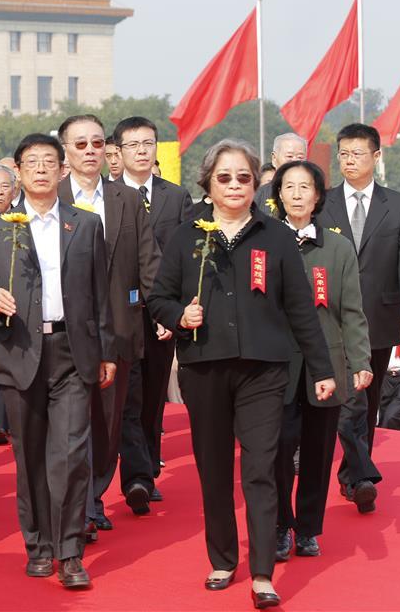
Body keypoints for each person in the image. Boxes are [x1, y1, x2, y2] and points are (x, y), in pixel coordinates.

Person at [147, 139, 335, 609]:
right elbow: (159, 296)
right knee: (212, 467)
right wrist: (178, 317)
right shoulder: (187, 235)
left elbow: (300, 310)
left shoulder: (274, 236)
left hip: (264, 371)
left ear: (257, 183)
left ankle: (263, 571)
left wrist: (322, 369)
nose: (234, 185)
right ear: (208, 184)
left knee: (261, 468)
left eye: (244, 177)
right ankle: (223, 558)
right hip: (204, 367)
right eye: (224, 177)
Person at [0, 133, 116, 589]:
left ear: (63, 169)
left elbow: (101, 293)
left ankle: (71, 551)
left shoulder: (85, 224)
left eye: (48, 162)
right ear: (17, 171)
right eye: (31, 162)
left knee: (72, 454)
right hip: (19, 352)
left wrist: (107, 349)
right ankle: (38, 545)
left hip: (73, 352)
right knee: (30, 454)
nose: (40, 169)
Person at [57, 114, 160, 540]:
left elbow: (149, 263)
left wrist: (165, 312)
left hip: (116, 329)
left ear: (108, 150)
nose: (89, 152)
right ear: (66, 150)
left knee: (107, 422)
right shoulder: (51, 196)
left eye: (97, 144)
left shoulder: (128, 200)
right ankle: (75, 506)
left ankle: (94, 496)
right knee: (68, 424)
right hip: (61, 333)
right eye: (80, 145)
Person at [267, 160, 372, 562]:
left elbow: (351, 312)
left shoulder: (338, 247)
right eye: (288, 186)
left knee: (318, 451)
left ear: (317, 196)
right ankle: (280, 525)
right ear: (278, 194)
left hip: (325, 365)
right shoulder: (266, 242)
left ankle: (308, 528)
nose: (296, 193)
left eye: (304, 187)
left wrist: (360, 360)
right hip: (276, 365)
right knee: (277, 449)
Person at [318, 123, 400, 514]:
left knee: (369, 397)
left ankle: (352, 472)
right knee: (352, 400)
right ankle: (361, 477)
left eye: (358, 153)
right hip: (331, 318)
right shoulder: (322, 203)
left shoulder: (399, 205)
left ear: (376, 157)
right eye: (344, 154)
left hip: (380, 317)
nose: (349, 160)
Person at [115, 116, 192, 512]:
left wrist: (173, 310)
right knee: (127, 394)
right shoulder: (108, 196)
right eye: (134, 145)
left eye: (149, 143)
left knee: (153, 394)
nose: (143, 151)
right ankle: (137, 474)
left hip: (161, 310)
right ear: (120, 152)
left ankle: (147, 467)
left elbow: (184, 257)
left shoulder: (175, 197)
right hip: (121, 309)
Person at [255, 133, 307, 217]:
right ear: (274, 158)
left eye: (300, 157)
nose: (294, 161)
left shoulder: (313, 195)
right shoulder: (259, 195)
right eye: (289, 156)